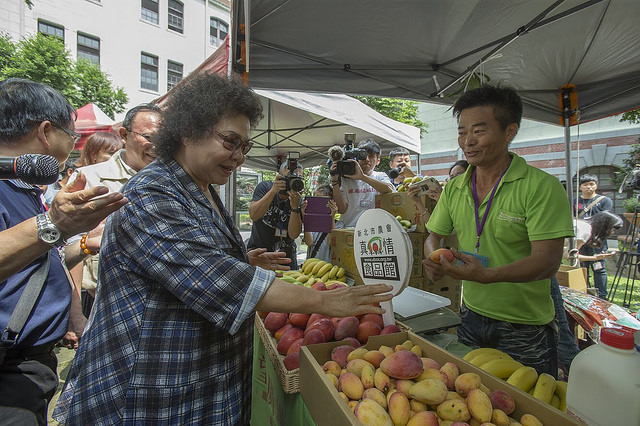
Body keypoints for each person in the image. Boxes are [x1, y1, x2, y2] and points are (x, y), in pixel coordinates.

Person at [52, 74, 392, 425]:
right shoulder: (151, 193)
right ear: (187, 132)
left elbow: (185, 263)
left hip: (200, 385)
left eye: (244, 147)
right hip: (149, 392)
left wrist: (241, 260)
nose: (239, 157)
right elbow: (214, 280)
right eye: (231, 141)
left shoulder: (201, 188)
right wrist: (325, 302)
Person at [423, 85, 574, 378]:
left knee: (529, 411)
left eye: (479, 131)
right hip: (471, 316)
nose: (467, 141)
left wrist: (488, 275)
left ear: (509, 132)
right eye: (462, 131)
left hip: (525, 325)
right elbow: (433, 235)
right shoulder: (455, 187)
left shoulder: (542, 187)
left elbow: (548, 261)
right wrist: (435, 259)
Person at [0, 78, 127, 425]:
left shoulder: (25, 190)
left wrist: (85, 242)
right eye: (70, 135)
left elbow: (33, 261)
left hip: (29, 365)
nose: (73, 146)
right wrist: (54, 223)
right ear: (45, 131)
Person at [71, 104, 162, 316]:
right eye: (149, 137)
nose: (157, 147)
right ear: (124, 135)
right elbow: (67, 251)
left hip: (153, 305)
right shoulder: (88, 179)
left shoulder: (173, 184)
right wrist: (75, 316)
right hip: (98, 303)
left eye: (164, 141)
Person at [554, 210, 623, 373]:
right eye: (613, 229)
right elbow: (569, 254)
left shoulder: (581, 224)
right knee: (563, 331)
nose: (612, 233)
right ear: (605, 225)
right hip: (554, 273)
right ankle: (579, 369)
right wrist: (597, 258)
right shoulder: (585, 230)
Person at [246, 160, 304, 269]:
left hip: (285, 254)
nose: (293, 182)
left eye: (297, 178)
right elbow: (254, 215)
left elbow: (293, 234)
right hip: (260, 252)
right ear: (280, 177)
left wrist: (295, 208)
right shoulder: (265, 187)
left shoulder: (297, 200)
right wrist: (273, 191)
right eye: (289, 178)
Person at [331, 139, 394, 227]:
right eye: (363, 155)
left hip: (374, 230)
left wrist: (362, 177)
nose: (367, 159)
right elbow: (341, 210)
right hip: (351, 229)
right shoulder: (347, 179)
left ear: (378, 161)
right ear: (357, 158)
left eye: (371, 156)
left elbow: (389, 189)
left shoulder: (380, 176)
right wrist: (334, 181)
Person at [573, 173, 614, 299]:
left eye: (591, 184)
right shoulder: (575, 202)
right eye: (585, 184)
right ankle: (583, 294)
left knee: (599, 267)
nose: (588, 187)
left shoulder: (604, 201)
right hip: (581, 238)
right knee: (581, 267)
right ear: (580, 187)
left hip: (597, 239)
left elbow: (606, 219)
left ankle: (602, 297)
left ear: (596, 185)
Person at [303, 184, 340, 263]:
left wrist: (331, 218)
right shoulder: (312, 223)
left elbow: (331, 243)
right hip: (311, 266)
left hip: (328, 268)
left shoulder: (339, 225)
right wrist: (305, 216)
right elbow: (309, 242)